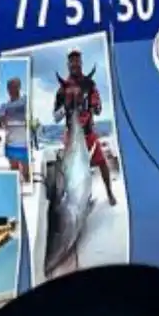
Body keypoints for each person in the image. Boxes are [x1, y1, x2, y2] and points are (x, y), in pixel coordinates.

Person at [53, 50, 116, 206]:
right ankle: (77, 198)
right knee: (71, 170)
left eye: (77, 61)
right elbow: (56, 117)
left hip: (88, 133)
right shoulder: (62, 89)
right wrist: (67, 106)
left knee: (102, 163)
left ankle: (109, 193)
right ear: (68, 65)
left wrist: (92, 105)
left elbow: (99, 110)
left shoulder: (90, 85)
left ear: (81, 63)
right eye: (72, 61)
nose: (75, 64)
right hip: (71, 135)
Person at [0, 77, 29, 183]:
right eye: (9, 87)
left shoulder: (25, 101)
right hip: (11, 145)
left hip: (24, 145)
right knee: (14, 172)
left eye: (14, 87)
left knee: (26, 174)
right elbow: (0, 125)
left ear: (19, 87)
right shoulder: (4, 106)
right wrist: (1, 122)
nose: (11, 90)